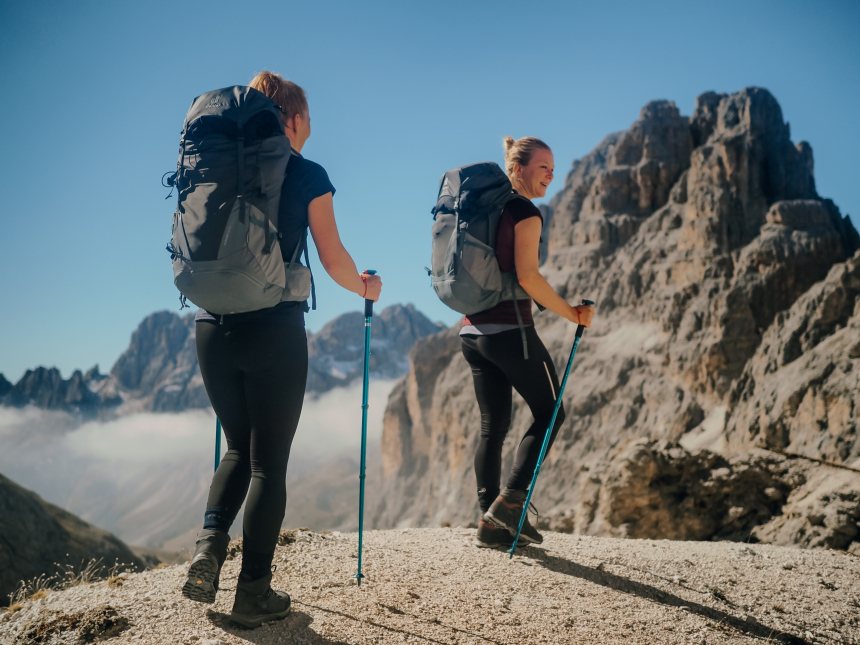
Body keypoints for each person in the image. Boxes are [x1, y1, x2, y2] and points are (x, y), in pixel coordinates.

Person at [181, 71, 382, 628]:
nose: (312, 129)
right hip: (274, 328)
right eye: (310, 119)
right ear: (292, 120)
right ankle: (254, 593)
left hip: (210, 326)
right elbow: (333, 256)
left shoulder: (213, 166)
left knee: (236, 450)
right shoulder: (306, 172)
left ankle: (208, 549)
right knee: (270, 461)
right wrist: (364, 287)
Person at [460, 136, 594, 548]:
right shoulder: (523, 212)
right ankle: (507, 508)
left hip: (471, 332)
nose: (551, 175)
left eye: (553, 168)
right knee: (551, 413)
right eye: (543, 167)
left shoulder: (481, 209)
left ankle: (490, 519)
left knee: (493, 426)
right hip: (509, 332)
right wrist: (573, 313)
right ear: (517, 169)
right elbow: (528, 277)